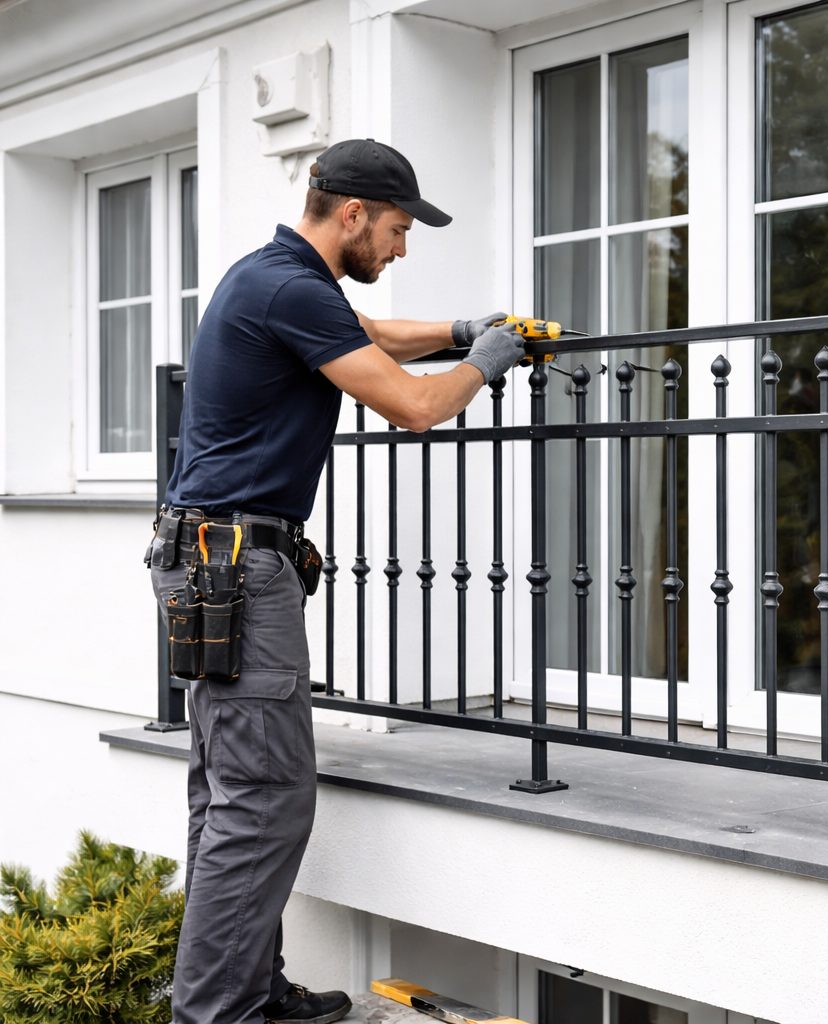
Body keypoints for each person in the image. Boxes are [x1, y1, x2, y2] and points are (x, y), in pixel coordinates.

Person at [145, 138, 528, 1024]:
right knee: (265, 800)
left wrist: (460, 330)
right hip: (233, 568)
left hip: (210, 561)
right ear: (350, 214)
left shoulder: (279, 280)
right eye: (396, 230)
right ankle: (219, 1014)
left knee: (228, 794)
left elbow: (367, 336)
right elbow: (414, 406)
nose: (400, 250)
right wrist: (485, 364)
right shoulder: (290, 287)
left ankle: (246, 990)